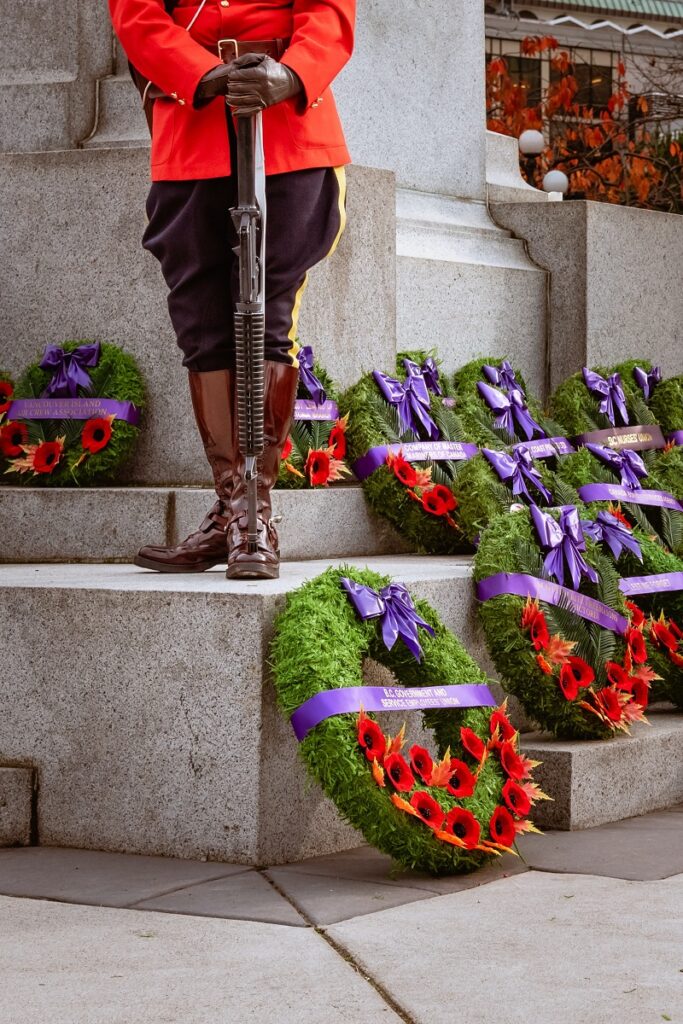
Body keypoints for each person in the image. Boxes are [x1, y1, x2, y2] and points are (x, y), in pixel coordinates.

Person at [108, 0, 355, 578]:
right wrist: (199, 74)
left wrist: (292, 74)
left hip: (288, 125)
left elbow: (330, 12)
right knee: (202, 325)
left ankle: (253, 516)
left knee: (268, 317)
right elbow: (137, 15)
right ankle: (234, 511)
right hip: (191, 123)